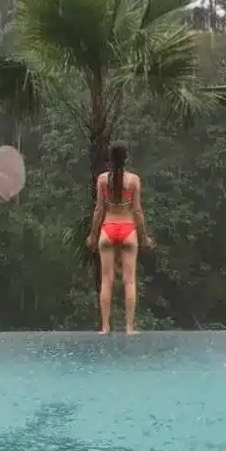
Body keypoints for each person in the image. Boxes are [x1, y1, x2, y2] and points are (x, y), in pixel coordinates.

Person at [86, 140, 153, 333]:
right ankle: (130, 327)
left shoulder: (102, 180)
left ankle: (105, 326)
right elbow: (137, 211)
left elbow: (99, 210)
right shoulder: (133, 180)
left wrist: (92, 235)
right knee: (129, 280)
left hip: (107, 229)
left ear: (110, 158)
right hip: (128, 230)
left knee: (106, 280)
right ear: (126, 158)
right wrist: (144, 237)